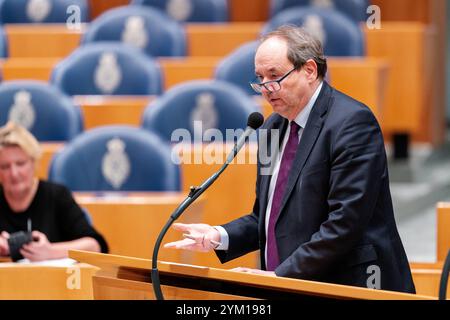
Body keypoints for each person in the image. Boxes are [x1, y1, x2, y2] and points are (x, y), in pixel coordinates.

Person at [164, 25, 416, 293]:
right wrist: (219, 236)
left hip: (351, 286)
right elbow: (266, 217)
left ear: (309, 70)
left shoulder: (352, 123)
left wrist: (280, 275)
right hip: (292, 285)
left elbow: (345, 223)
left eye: (274, 76)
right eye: (259, 78)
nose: (266, 88)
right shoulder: (273, 127)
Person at [0, 121, 108, 261]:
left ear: (33, 163)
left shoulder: (57, 195)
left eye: (20, 164)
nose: (14, 173)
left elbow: (96, 245)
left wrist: (50, 251)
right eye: (5, 166)